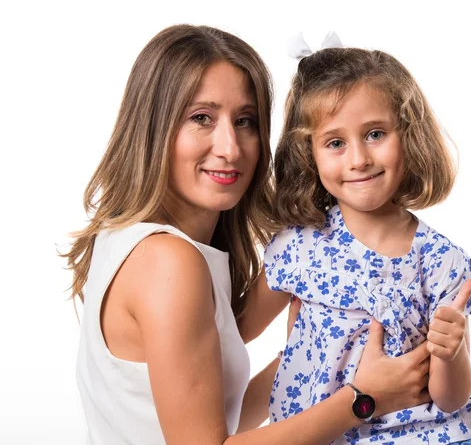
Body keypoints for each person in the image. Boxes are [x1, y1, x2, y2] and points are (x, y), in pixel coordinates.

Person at [62, 24, 433, 445]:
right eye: (201, 118)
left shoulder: (134, 242)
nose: (231, 147)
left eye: (245, 121)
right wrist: (364, 398)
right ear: (153, 128)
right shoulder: (168, 262)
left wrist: (317, 351)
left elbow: (221, 413)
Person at [260, 42, 471, 444]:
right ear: (308, 153)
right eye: (335, 143)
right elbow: (231, 329)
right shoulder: (297, 245)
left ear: (408, 136)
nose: (358, 158)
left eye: (375, 134)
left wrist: (452, 353)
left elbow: (451, 399)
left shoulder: (442, 261)